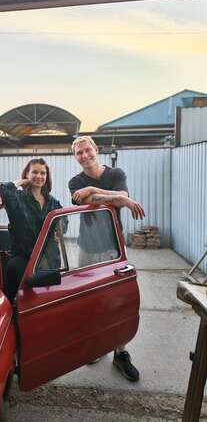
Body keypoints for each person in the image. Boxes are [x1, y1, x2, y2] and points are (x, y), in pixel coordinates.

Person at [68, 135, 145, 382]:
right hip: (87, 248)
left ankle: (121, 353)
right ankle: (98, 346)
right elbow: (93, 200)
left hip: (114, 248)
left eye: (87, 150)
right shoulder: (75, 181)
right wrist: (117, 198)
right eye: (79, 153)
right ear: (75, 157)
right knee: (91, 300)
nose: (84, 155)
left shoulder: (116, 173)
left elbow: (119, 194)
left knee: (117, 301)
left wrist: (95, 190)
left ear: (96, 149)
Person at [0, 158, 63, 301]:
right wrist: (22, 181)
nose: (39, 176)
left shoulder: (53, 202)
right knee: (24, 300)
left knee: (48, 300)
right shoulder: (18, 198)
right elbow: (4, 190)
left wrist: (59, 230)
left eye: (43, 173)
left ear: (47, 177)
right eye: (34, 172)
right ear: (27, 174)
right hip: (23, 260)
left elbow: (62, 224)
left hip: (49, 260)